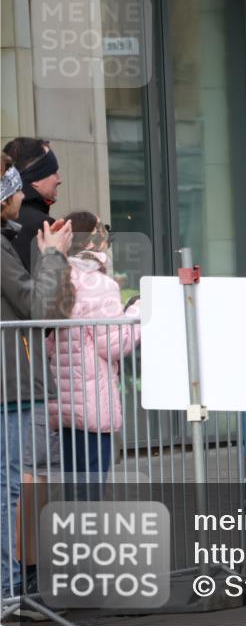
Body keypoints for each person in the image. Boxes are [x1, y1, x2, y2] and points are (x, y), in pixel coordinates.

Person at [1, 153, 73, 599]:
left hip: (14, 386)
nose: (21, 194)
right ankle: (9, 593)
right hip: (11, 387)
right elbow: (37, 308)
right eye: (13, 188)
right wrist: (53, 258)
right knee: (9, 489)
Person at [46, 211, 140, 489]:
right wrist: (137, 312)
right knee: (92, 485)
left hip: (64, 404)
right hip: (92, 405)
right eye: (103, 230)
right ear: (92, 242)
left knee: (73, 486)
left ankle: (74, 533)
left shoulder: (57, 277)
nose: (106, 236)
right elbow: (113, 345)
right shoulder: (101, 285)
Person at [2, 138, 61, 271]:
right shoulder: (41, 226)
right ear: (35, 179)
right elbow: (45, 287)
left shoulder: (5, 217)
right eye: (53, 171)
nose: (59, 179)